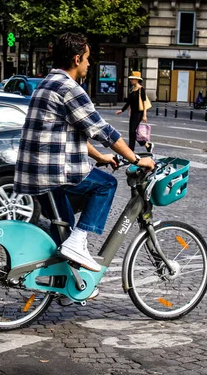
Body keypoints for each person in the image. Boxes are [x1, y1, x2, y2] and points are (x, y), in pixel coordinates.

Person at [14, 32, 154, 272]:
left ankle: (67, 287)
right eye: (88, 59)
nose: (90, 64)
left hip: (33, 173)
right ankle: (80, 241)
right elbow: (102, 130)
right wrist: (137, 159)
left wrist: (100, 157)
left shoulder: (46, 83)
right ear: (77, 59)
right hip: (51, 173)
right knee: (106, 185)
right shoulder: (69, 88)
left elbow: (67, 132)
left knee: (64, 229)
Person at [115, 71, 154, 153]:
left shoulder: (141, 89)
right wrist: (121, 110)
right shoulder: (132, 89)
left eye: (132, 79)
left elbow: (144, 102)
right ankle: (139, 147)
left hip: (139, 113)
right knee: (131, 131)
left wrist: (144, 115)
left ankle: (136, 147)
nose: (130, 81)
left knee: (133, 131)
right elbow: (128, 102)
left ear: (136, 80)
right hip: (133, 113)